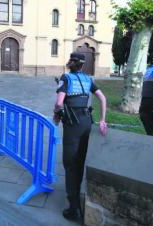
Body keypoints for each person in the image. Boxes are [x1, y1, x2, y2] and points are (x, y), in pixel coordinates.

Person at [53, 52, 107, 221]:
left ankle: (73, 208)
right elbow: (102, 98)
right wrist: (103, 120)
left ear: (71, 63)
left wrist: (56, 116)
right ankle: (77, 194)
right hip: (86, 123)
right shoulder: (88, 79)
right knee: (80, 161)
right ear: (82, 65)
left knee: (70, 163)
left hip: (73, 124)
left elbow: (59, 102)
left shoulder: (66, 78)